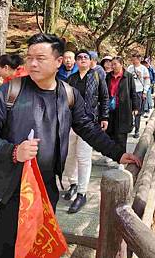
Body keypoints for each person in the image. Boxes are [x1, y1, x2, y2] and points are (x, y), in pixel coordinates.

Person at [0, 34, 141, 258]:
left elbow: (88, 127)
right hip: (1, 197)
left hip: (43, 194)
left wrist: (118, 153)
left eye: (40, 58)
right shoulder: (8, 93)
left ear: (58, 62)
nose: (32, 63)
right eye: (29, 58)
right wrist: (12, 151)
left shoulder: (68, 95)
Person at [64, 50, 109, 213]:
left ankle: (82, 193)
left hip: (89, 123)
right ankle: (73, 183)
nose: (82, 59)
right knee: (70, 155)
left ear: (91, 61)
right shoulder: (71, 79)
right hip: (71, 123)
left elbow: (104, 97)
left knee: (83, 157)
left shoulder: (97, 77)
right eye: (79, 57)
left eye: (85, 57)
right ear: (76, 62)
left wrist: (104, 117)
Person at [106, 57, 139, 152]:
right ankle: (111, 154)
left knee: (121, 134)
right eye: (112, 64)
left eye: (115, 64)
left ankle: (121, 156)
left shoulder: (128, 76)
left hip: (124, 109)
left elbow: (133, 92)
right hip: (110, 109)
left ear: (121, 64)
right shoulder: (108, 76)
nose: (113, 66)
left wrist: (135, 107)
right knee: (110, 132)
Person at [126, 53, 150, 138]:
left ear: (139, 59)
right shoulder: (129, 68)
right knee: (129, 110)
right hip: (130, 92)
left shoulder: (144, 69)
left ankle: (137, 130)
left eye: (134, 59)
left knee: (138, 112)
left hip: (139, 92)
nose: (133, 61)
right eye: (132, 59)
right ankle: (130, 126)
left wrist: (145, 92)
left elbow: (147, 82)